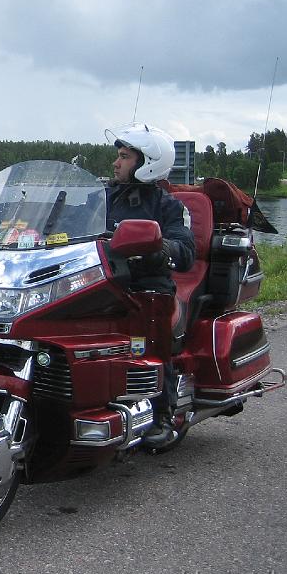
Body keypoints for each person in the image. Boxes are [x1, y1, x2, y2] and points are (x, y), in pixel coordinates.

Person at [104, 123, 196, 447]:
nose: (116, 163)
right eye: (118, 156)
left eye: (124, 156)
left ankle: (164, 412)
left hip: (149, 288)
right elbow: (69, 223)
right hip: (106, 282)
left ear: (147, 163)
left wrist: (160, 248)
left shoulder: (169, 206)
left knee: (152, 323)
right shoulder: (103, 196)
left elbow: (186, 252)